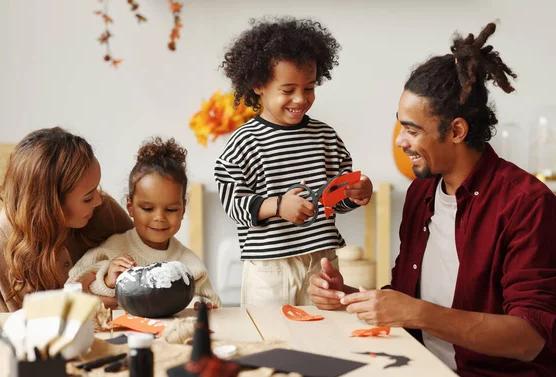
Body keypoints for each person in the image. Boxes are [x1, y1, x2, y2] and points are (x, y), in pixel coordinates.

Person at [308, 22, 556, 376]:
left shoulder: (527, 204)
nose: (400, 142)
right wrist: (348, 296)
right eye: (400, 127)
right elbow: (409, 297)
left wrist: (413, 312)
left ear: (456, 130)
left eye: (412, 130)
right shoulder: (421, 192)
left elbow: (531, 338)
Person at [214, 17, 373, 307]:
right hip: (270, 269)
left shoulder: (325, 136)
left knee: (324, 334)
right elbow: (233, 203)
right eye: (288, 90)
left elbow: (335, 197)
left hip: (321, 261)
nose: (300, 99)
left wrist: (357, 194)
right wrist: (277, 206)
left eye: (309, 88)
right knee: (272, 341)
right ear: (258, 85)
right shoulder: (244, 142)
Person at [0, 127, 134, 323]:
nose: (99, 200)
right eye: (88, 197)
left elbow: (148, 256)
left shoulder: (103, 212)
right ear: (50, 205)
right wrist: (72, 311)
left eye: (96, 189)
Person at [68, 137, 221, 309]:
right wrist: (107, 282)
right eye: (148, 208)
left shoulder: (190, 265)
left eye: (171, 210)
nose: (159, 218)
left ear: (183, 209)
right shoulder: (111, 251)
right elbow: (71, 288)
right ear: (130, 206)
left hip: (168, 335)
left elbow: (212, 302)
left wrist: (202, 305)